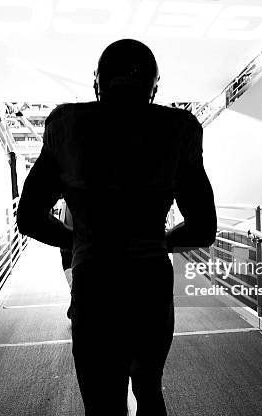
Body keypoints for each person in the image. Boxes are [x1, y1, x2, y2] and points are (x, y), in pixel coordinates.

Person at [17, 39, 216, 416]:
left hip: (96, 287)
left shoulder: (68, 126)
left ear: (97, 83)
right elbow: (203, 229)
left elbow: (28, 216)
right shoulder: (177, 131)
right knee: (148, 390)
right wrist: (159, 241)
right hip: (150, 287)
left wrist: (80, 242)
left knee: (102, 405)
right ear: (154, 89)